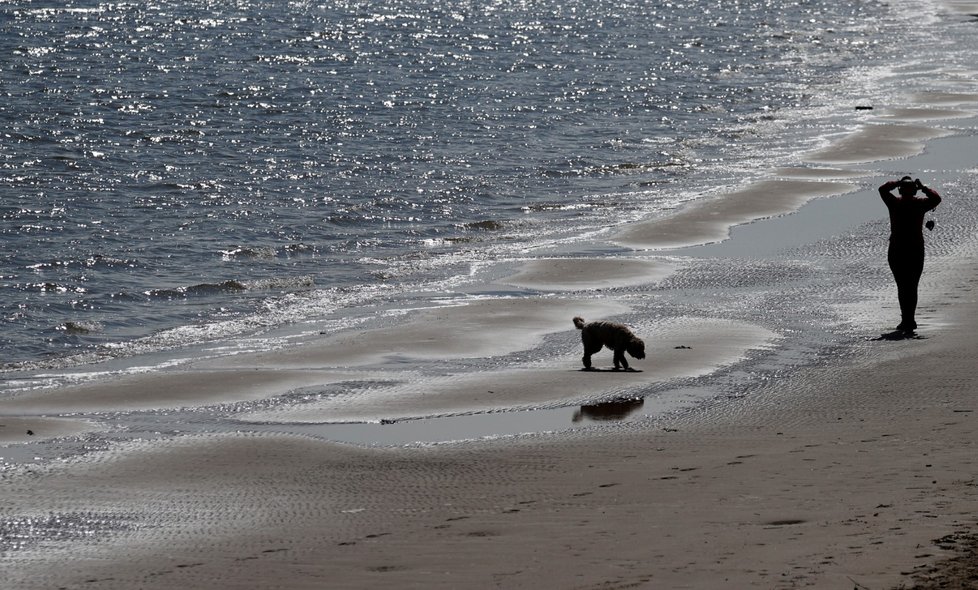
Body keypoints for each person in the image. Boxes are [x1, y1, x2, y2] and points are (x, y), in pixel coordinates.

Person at [878, 176, 941, 333]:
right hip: (915, 249)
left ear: (900, 189)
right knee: (912, 286)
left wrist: (897, 182)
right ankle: (909, 319)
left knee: (902, 286)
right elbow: (936, 198)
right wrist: (924, 187)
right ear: (915, 190)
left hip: (897, 249)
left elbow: (882, 189)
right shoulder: (920, 204)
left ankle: (906, 320)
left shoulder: (895, 203)